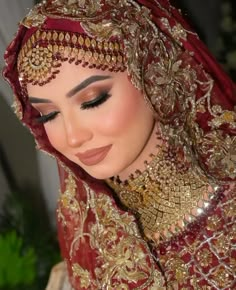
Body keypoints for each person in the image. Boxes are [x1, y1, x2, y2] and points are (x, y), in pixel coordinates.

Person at [3, 0, 236, 289]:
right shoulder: (90, 235)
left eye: (93, 100)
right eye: (48, 115)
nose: (73, 137)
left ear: (153, 74)